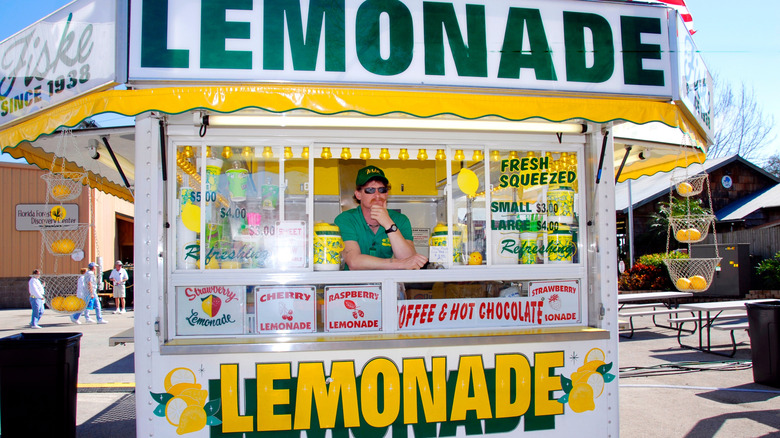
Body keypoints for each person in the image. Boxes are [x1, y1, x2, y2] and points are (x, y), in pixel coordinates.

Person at [334, 165, 428, 270]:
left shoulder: (400, 220)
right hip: (352, 284)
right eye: (370, 190)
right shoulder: (345, 219)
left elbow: (409, 260)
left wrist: (388, 223)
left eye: (382, 190)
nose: (377, 195)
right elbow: (354, 262)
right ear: (358, 195)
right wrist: (399, 264)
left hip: (387, 284)